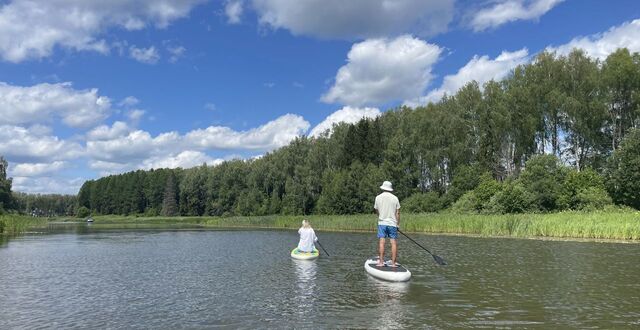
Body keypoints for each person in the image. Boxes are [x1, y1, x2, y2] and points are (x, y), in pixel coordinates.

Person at [374, 180, 401, 267]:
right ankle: (393, 263)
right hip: (392, 223)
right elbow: (398, 213)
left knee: (382, 242)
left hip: (382, 223)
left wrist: (380, 216)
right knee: (393, 243)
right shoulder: (395, 198)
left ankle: (381, 262)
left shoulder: (378, 197)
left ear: (383, 188)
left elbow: (376, 210)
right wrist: (397, 224)